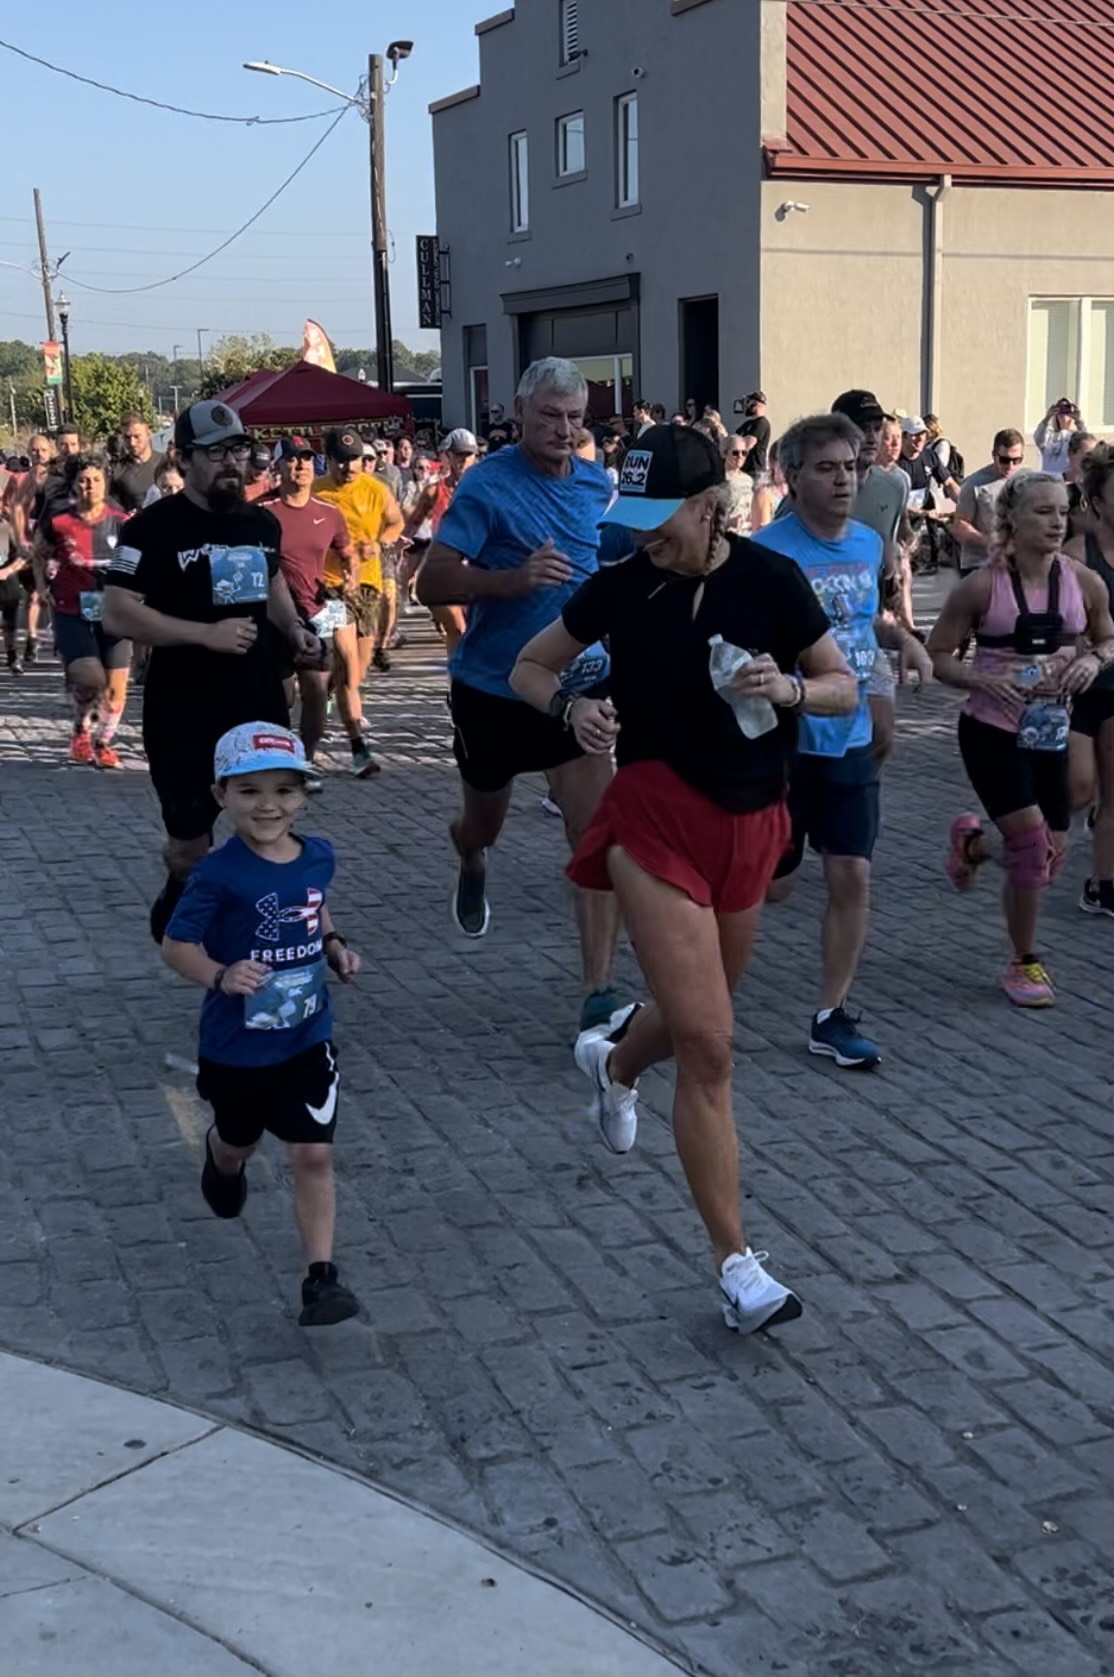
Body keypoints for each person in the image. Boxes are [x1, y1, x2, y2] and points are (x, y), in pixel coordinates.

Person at [509, 424, 855, 1332]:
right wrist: (572, 707)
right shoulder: (621, 583)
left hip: (751, 824)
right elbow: (529, 665)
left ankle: (615, 1062)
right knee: (710, 1045)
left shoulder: (771, 579)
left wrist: (790, 689)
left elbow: (843, 686)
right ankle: (738, 1267)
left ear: (711, 507)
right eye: (635, 516)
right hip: (652, 819)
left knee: (695, 1019)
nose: (644, 534)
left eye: (662, 517)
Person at [417, 356, 621, 1032]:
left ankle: (598, 989)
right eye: (550, 416)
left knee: (595, 832)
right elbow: (430, 583)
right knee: (486, 823)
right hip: (495, 687)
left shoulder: (594, 483)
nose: (563, 429)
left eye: (574, 417)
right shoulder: (488, 484)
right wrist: (513, 580)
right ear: (520, 412)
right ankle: (470, 853)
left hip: (577, 683)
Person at [162, 722, 362, 1327]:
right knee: (240, 1141)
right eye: (249, 791)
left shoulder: (318, 854)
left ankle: (321, 1279)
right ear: (221, 795)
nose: (268, 805)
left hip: (307, 1037)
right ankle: (222, 1158)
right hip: (236, 1047)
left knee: (313, 1154)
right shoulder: (217, 873)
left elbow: (314, 904)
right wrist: (221, 975)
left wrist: (333, 945)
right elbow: (176, 945)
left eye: (284, 790)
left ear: (304, 794)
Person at [102, 400, 320, 940]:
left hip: (256, 701)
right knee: (189, 846)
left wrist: (294, 630)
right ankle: (183, 887)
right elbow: (117, 612)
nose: (231, 462)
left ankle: (249, 933)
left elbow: (272, 585)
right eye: (216, 452)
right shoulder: (151, 529)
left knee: (265, 829)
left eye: (238, 450)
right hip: (183, 709)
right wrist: (204, 634)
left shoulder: (261, 523)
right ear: (184, 457)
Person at [752, 413, 926, 1068]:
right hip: (783, 741)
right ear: (792, 477)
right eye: (826, 468)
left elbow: (860, 621)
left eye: (851, 467)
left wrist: (904, 640)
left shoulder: (866, 543)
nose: (844, 480)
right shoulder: (765, 553)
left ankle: (832, 1013)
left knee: (852, 872)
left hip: (848, 738)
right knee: (772, 885)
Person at [928, 471, 1114, 1004]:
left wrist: (1095, 661)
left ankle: (973, 845)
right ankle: (1024, 963)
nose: (1056, 522)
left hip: (1050, 732)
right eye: (1042, 511)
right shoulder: (982, 586)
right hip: (990, 731)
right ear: (1011, 518)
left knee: (1050, 852)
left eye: (1062, 511)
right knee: (1032, 847)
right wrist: (979, 678)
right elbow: (939, 656)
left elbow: (1107, 638)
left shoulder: (1084, 582)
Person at [831, 390, 932, 763]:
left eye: (877, 427)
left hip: (866, 623)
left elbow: (890, 539)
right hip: (815, 625)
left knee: (882, 734)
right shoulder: (813, 488)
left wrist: (896, 570)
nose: (872, 436)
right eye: (863, 427)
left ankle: (860, 789)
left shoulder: (894, 484)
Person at [312, 427, 404, 768]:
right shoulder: (316, 491)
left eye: (354, 460)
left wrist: (379, 543)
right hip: (331, 587)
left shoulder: (375, 489)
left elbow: (396, 523)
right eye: (342, 461)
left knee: (356, 671)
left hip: (367, 586)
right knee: (348, 662)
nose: (349, 467)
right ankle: (358, 748)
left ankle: (328, 692)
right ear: (328, 460)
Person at [30, 454, 132, 764]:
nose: (90, 486)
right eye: (84, 480)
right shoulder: (59, 519)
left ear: (106, 483)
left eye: (97, 480)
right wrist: (42, 588)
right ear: (74, 484)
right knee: (90, 678)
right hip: (72, 608)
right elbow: (38, 553)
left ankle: (103, 743)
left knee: (116, 688)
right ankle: (81, 733)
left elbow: (137, 562)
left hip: (113, 608)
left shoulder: (121, 521)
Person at [264, 436, 359, 767]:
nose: (300, 465)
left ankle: (304, 758)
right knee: (283, 696)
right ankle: (276, 753)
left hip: (316, 613)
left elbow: (347, 551)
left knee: (317, 692)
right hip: (273, 619)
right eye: (291, 459)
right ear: (278, 467)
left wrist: (351, 576)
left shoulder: (328, 513)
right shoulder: (263, 513)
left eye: (305, 458)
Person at [1064, 443, 1114, 917]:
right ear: (1097, 502)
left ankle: (1102, 884)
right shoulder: (1078, 556)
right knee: (1078, 790)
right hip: (1079, 688)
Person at [405, 428, 478, 656]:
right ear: (448, 456)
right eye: (458, 454)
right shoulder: (434, 491)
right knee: (457, 629)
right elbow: (413, 523)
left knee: (476, 632)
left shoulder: (486, 490)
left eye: (468, 455)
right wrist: (397, 548)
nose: (463, 460)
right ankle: (456, 676)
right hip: (444, 570)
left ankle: (468, 673)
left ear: (475, 456)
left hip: (477, 570)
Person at [7, 433, 55, 664]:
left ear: (51, 451)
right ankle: (31, 639)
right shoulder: (25, 478)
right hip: (33, 540)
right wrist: (20, 538)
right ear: (28, 452)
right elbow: (15, 507)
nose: (39, 454)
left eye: (43, 450)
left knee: (49, 593)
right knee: (33, 592)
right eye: (34, 450)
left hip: (56, 541)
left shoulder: (59, 475)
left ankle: (44, 637)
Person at [952, 430, 1027, 576]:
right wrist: (989, 541)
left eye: (1016, 460)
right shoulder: (974, 485)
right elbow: (959, 526)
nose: (1010, 466)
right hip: (981, 564)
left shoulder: (1026, 480)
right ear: (994, 455)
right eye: (1004, 460)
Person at [899, 415, 960, 573]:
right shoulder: (895, 463)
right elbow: (894, 504)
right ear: (903, 436)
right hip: (899, 518)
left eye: (923, 434)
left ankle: (933, 561)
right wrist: (924, 513)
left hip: (921, 510)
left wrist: (964, 503)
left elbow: (949, 483)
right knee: (899, 560)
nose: (920, 439)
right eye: (915, 434)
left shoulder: (929, 456)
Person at [110, 415, 165, 513]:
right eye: (127, 437)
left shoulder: (167, 463)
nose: (132, 443)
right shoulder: (117, 470)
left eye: (137, 436)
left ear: (149, 434)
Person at [1035, 398, 1083, 476]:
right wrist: (1047, 418)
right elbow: (1038, 438)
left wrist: (1079, 421)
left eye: (1067, 408)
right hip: (1047, 479)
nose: (1063, 413)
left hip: (1064, 479)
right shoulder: (1049, 435)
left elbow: (1085, 442)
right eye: (1060, 409)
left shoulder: (1074, 436)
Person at [1065, 430, 1097, 542]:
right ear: (1071, 455)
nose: (1092, 460)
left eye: (1095, 455)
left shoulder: (1100, 488)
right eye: (1088, 454)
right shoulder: (1060, 490)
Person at [720, 434, 754, 535]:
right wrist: (729, 522)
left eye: (744, 453)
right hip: (726, 535)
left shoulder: (748, 480)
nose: (740, 456)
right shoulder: (719, 479)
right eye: (735, 452)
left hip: (747, 534)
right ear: (725, 453)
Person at [735, 391, 771, 479]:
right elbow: (734, 438)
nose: (746, 405)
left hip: (755, 471)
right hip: (744, 470)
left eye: (749, 402)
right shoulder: (747, 424)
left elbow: (748, 444)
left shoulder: (761, 423)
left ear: (757, 404)